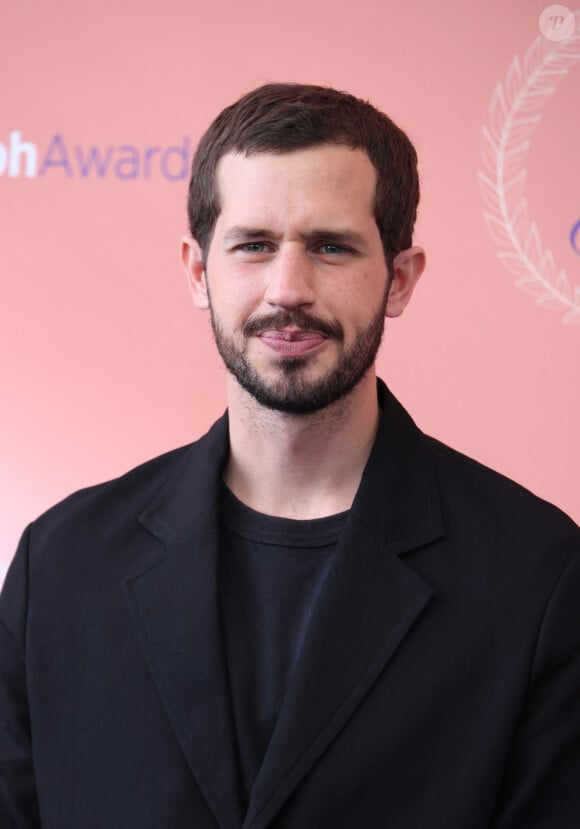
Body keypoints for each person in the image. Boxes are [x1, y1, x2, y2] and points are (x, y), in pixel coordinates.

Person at [1, 83, 579, 829]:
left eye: (331, 247)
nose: (288, 289)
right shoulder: (61, 564)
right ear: (197, 270)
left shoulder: (539, 574)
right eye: (254, 245)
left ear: (399, 279)